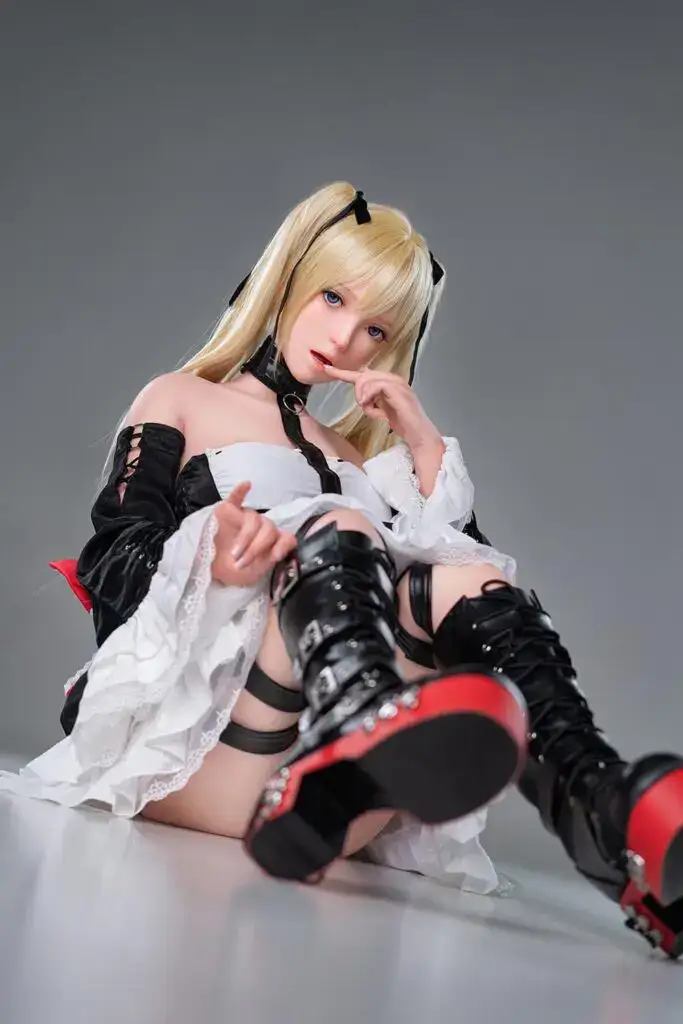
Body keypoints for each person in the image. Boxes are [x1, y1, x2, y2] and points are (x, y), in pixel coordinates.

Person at [2, 182, 682, 957]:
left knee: (462, 580)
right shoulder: (181, 399)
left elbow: (467, 591)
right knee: (344, 526)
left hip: (327, 795)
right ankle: (355, 726)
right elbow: (112, 561)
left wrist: (422, 445)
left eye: (376, 328)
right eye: (333, 297)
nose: (346, 337)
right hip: (202, 754)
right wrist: (207, 557)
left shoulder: (356, 458)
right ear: (290, 275)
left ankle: (603, 809)